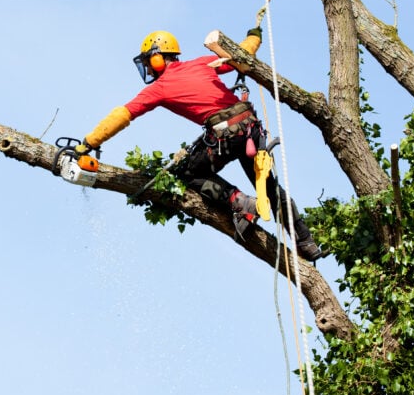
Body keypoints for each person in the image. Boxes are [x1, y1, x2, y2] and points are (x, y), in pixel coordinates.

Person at [75, 29, 324, 262]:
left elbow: (123, 114)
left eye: (149, 63)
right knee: (270, 188)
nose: (149, 71)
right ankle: (306, 242)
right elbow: (240, 53)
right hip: (250, 128)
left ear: (157, 58)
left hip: (226, 135)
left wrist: (89, 142)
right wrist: (254, 36)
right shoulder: (201, 63)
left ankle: (242, 203)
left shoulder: (160, 88)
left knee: (188, 173)